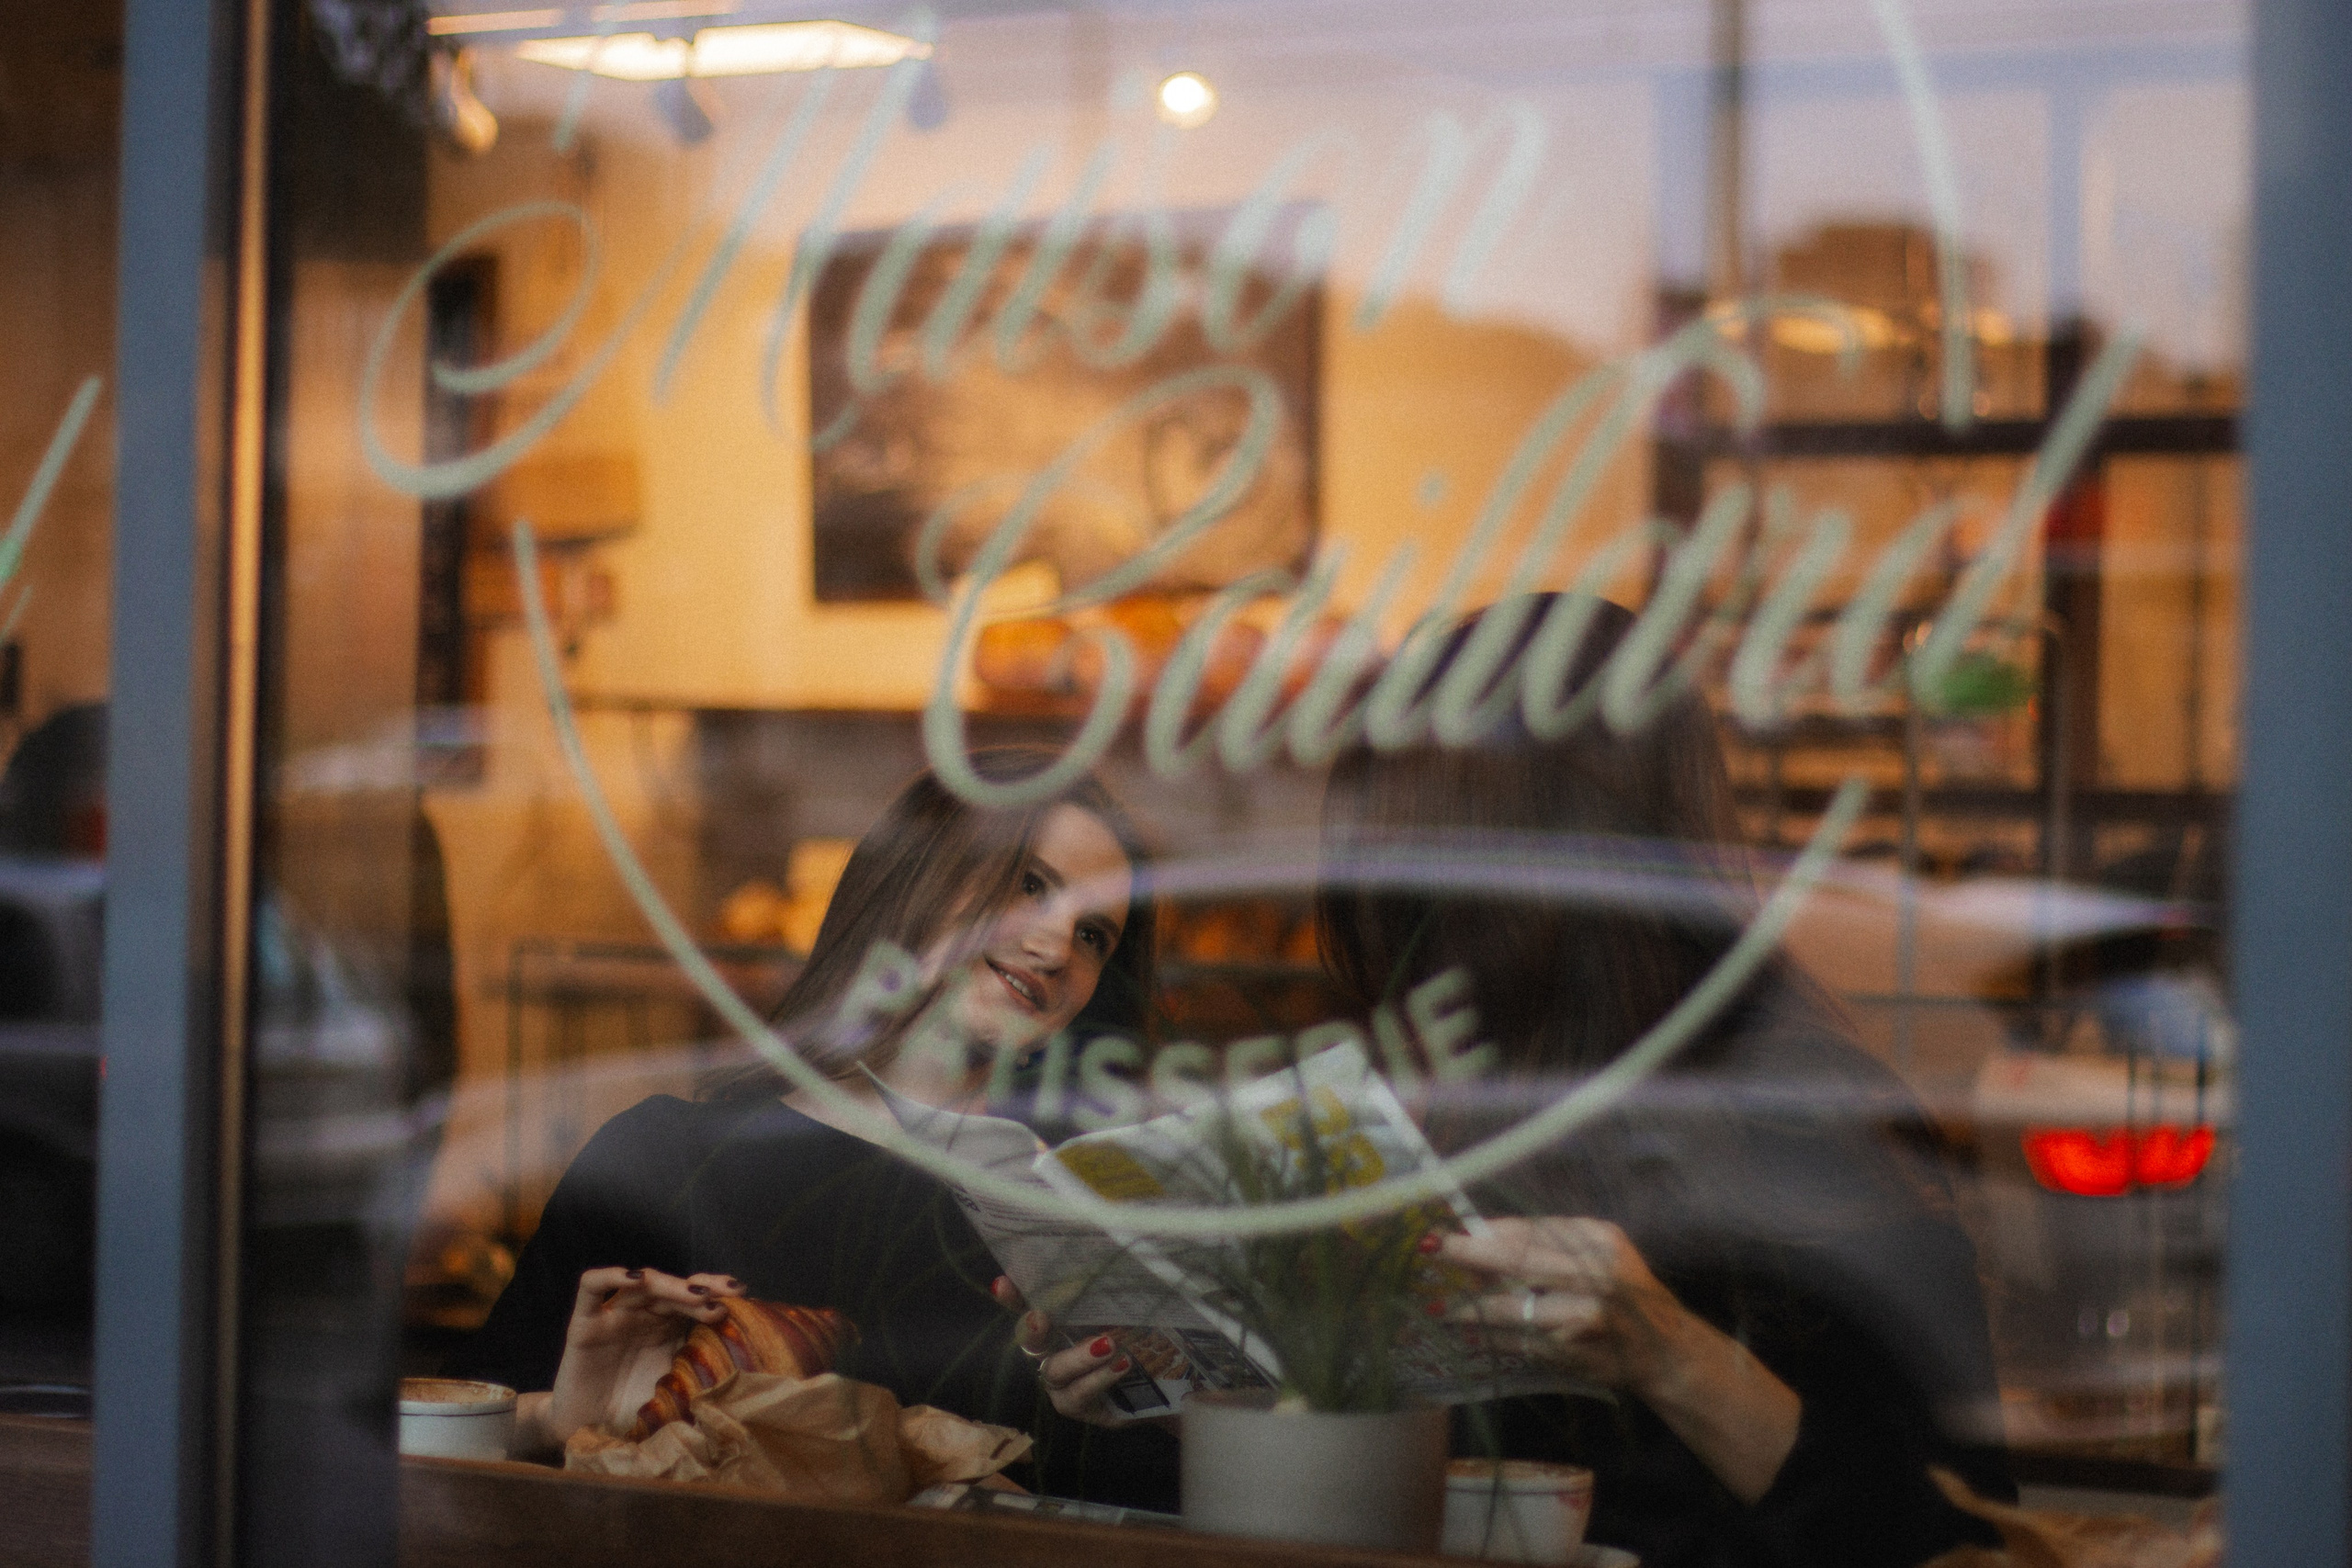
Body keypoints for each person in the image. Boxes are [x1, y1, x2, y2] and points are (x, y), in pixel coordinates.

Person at [1312, 594, 2014, 1568]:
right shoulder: (1444, 1105)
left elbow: (1952, 1537)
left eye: (1423, 870)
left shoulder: (1800, 1113)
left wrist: (1664, 1350)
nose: (1396, 926)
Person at [446, 750, 1180, 1506]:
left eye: (1094, 934)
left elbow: (1173, 1518)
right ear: (920, 870)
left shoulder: (1075, 1216)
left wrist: (1153, 1414)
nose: (1057, 947)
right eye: (1029, 884)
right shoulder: (662, 1162)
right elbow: (432, 1461)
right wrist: (559, 1418)